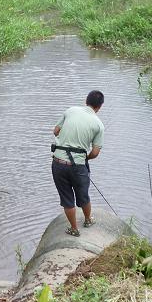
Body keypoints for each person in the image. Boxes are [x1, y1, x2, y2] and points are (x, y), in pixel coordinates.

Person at [51, 90, 105, 237]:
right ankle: (88, 220)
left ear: (85, 101)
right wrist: (83, 158)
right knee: (83, 195)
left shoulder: (71, 110)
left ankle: (74, 229)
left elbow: (55, 131)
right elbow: (95, 153)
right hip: (78, 166)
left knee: (67, 199)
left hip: (58, 163)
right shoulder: (99, 125)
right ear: (99, 107)